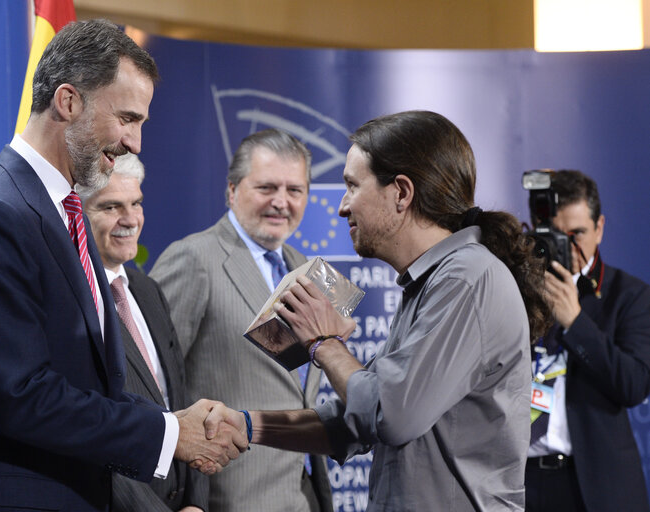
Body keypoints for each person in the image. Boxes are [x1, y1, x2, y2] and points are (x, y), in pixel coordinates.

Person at [0, 19, 244, 512]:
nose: (135, 143)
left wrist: (174, 421)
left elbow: (90, 386)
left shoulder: (65, 211)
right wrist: (169, 433)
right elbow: (21, 396)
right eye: (127, 118)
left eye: (141, 124)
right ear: (67, 102)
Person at [207, 110, 551, 511]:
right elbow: (352, 419)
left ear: (401, 193)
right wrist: (247, 426)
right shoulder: (431, 283)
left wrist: (323, 343)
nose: (341, 207)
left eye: (352, 186)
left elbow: (391, 413)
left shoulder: (467, 278)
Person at [150, 129, 333, 512]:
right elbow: (152, 390)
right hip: (223, 500)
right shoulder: (193, 259)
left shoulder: (306, 268)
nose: (281, 202)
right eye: (267, 187)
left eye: (295, 190)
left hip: (303, 498)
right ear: (232, 190)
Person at [78, 154, 208, 512]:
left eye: (136, 203)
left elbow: (179, 401)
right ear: (78, 214)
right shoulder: (72, 302)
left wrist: (196, 503)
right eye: (111, 207)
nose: (131, 219)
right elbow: (83, 431)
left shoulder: (147, 290)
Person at [525, 170, 650, 511]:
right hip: (520, 481)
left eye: (577, 233)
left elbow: (634, 384)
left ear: (600, 228)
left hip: (594, 485)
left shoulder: (630, 295)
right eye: (556, 235)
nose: (568, 246)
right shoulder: (518, 292)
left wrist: (575, 322)